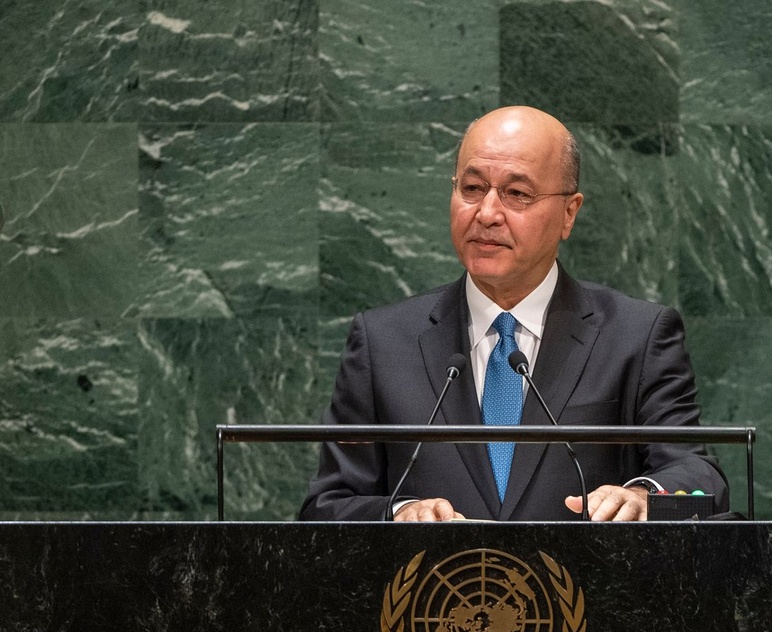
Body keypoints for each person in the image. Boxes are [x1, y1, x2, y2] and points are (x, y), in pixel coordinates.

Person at [300, 106, 727, 522]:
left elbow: (699, 477)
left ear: (569, 213)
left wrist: (642, 498)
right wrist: (398, 514)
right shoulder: (383, 341)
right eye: (471, 188)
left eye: (517, 194)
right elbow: (325, 508)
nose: (486, 214)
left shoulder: (637, 336)